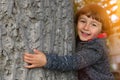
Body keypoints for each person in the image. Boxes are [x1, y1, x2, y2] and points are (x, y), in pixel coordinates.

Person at [23, 4, 114, 80]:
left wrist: (46, 61)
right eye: (83, 21)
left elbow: (74, 62)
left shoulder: (96, 48)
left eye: (93, 25)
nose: (86, 27)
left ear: (102, 30)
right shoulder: (83, 40)